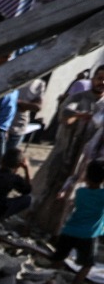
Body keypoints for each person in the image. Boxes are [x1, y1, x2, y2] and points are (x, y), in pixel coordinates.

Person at [33, 66, 104, 234]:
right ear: (93, 79)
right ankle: (34, 222)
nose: (102, 82)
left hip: (85, 161)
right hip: (64, 152)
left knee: (72, 195)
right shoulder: (79, 97)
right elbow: (66, 116)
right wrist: (79, 116)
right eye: (99, 78)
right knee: (49, 186)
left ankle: (58, 231)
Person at [47, 159, 104, 284]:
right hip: (88, 235)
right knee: (87, 265)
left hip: (69, 230)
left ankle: (47, 282)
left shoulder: (80, 192)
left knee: (58, 259)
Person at [12, 75, 46, 148]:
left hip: (17, 126)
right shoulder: (12, 76)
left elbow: (37, 107)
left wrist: (18, 102)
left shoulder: (38, 83)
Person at [0, 88, 18, 167]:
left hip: (3, 128)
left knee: (0, 156)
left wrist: (7, 130)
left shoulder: (16, 92)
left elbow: (12, 111)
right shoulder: (2, 92)